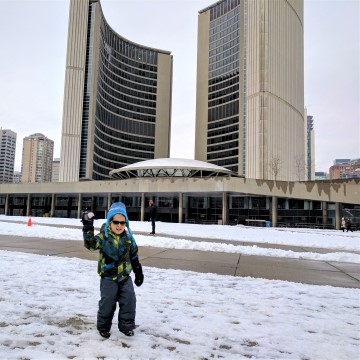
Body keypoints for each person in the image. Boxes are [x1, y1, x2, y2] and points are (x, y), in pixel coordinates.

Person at [82, 202, 144, 339]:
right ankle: (103, 327)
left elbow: (134, 255)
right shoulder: (104, 236)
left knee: (129, 301)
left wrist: (138, 272)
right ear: (110, 221)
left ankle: (126, 327)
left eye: (122, 223)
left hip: (124, 277)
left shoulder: (128, 239)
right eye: (116, 222)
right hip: (108, 278)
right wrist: (87, 227)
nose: (119, 225)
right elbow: (91, 245)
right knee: (107, 303)